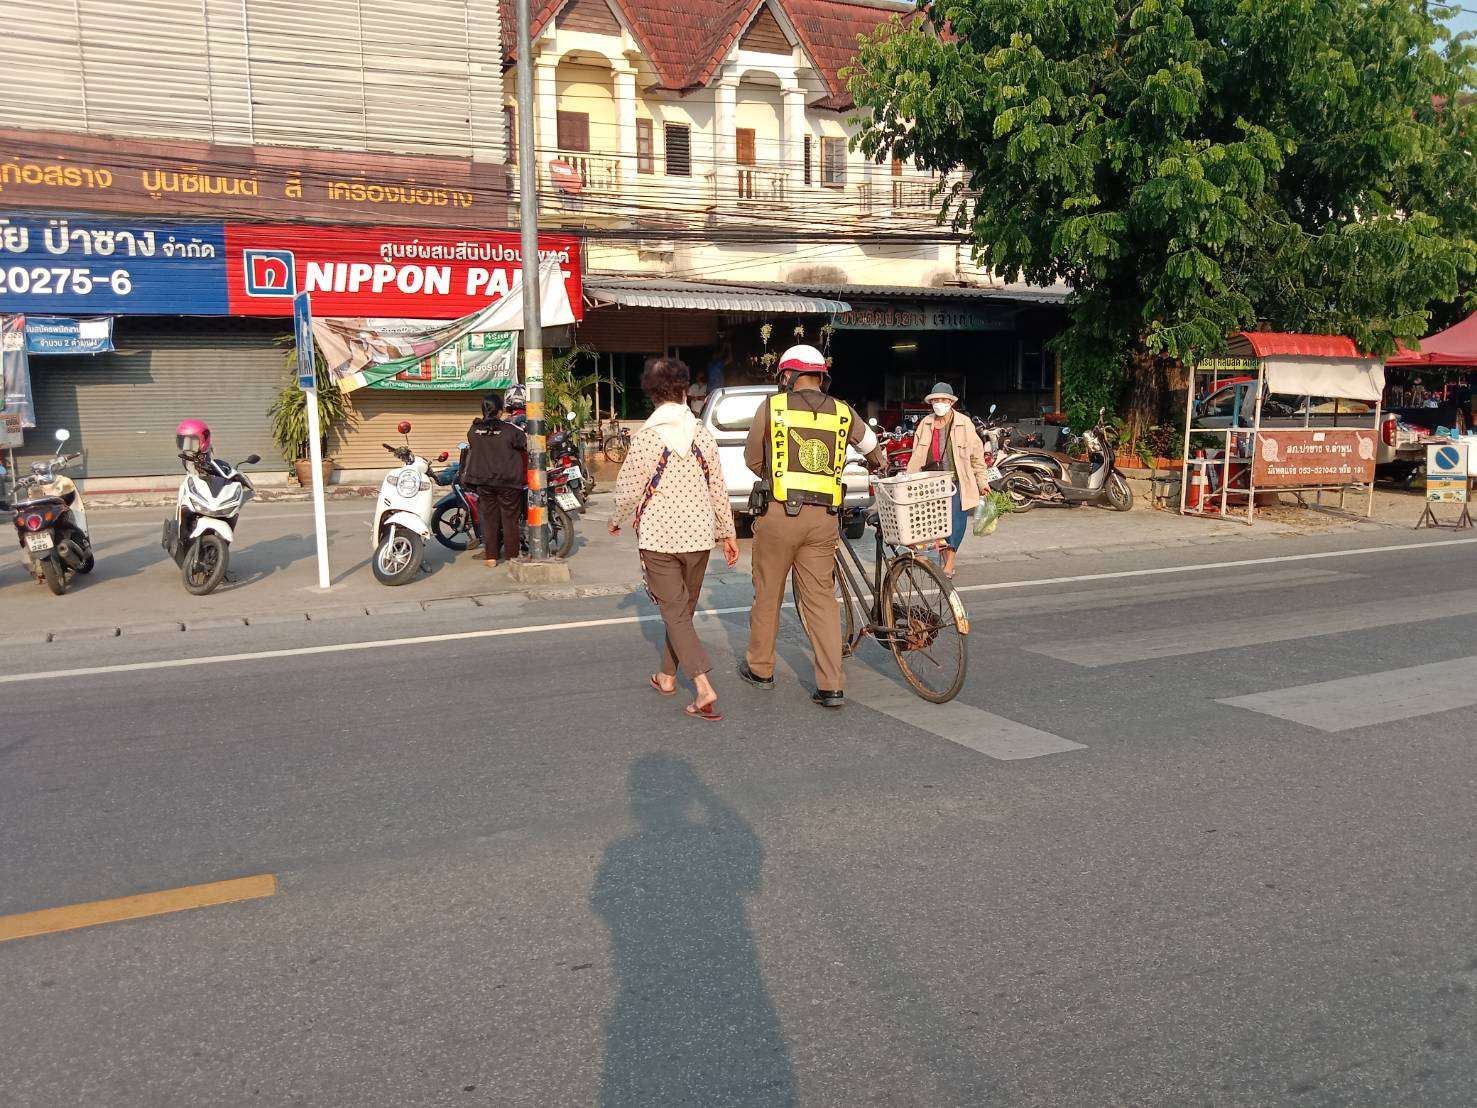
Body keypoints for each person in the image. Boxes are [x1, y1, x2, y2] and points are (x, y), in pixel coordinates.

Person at [739, 344, 882, 709]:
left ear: (788, 376)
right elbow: (874, 450)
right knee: (821, 601)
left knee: (768, 594)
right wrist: (874, 463)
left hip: (778, 515)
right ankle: (831, 685)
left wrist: (778, 475)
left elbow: (752, 458)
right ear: (821, 377)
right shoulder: (843, 411)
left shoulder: (772, 407)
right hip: (823, 521)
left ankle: (761, 669)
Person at [611, 357, 739, 722]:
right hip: (699, 538)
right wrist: (728, 533)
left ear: (651, 394)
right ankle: (667, 676)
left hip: (659, 539)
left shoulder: (647, 438)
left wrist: (616, 519)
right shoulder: (702, 435)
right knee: (681, 613)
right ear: (684, 389)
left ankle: (702, 687)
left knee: (675, 614)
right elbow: (718, 488)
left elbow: (628, 489)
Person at [905, 382, 993, 579]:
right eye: (936, 400)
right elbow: (916, 455)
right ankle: (944, 558)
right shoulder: (925, 424)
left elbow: (977, 457)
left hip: (956, 482)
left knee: (955, 523)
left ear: (951, 402)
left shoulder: (964, 423)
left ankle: (950, 562)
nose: (939, 403)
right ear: (931, 403)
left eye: (943, 400)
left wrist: (982, 483)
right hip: (931, 482)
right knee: (936, 523)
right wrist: (909, 479)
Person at [460, 391, 527, 567]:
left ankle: (491, 556)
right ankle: (512, 556)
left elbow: (474, 442)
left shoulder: (473, 430)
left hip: (484, 481)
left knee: (489, 520)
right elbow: (524, 443)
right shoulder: (511, 430)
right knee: (510, 520)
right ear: (500, 410)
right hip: (508, 481)